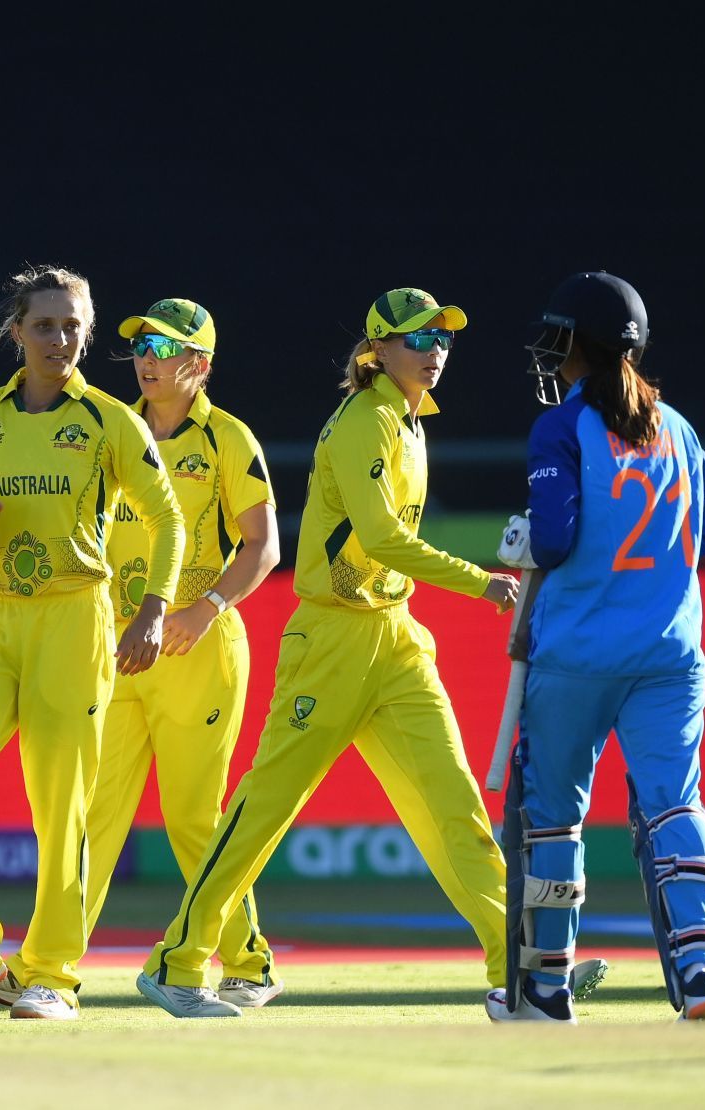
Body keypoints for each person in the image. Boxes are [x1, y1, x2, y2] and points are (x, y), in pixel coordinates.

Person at [137, 288, 521, 1019]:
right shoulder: (363, 423)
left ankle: (518, 963)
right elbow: (379, 540)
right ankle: (179, 964)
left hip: (397, 634)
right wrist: (480, 583)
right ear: (378, 352)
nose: (435, 350)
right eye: (418, 339)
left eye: (442, 338)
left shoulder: (409, 422)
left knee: (456, 806)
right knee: (266, 809)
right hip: (333, 640)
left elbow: (384, 554)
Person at [0, 297, 286, 1007]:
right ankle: (42, 970)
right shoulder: (98, 431)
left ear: (201, 364)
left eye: (167, 347)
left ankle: (246, 960)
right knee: (93, 814)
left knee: (191, 817)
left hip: (190, 648)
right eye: (143, 345)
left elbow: (265, 545)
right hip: (113, 645)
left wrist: (198, 609)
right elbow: (72, 536)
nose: (149, 358)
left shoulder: (222, 439)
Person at [0, 266, 183, 1021]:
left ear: (86, 333)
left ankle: (53, 974)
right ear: (17, 332)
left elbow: (168, 521)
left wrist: (152, 610)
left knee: (61, 804)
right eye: (44, 325)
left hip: (72, 616)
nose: (59, 338)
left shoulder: (108, 421)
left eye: (72, 325)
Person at [486, 272, 705, 1024]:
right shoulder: (679, 427)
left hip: (577, 654)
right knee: (674, 804)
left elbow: (555, 539)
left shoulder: (562, 427)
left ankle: (546, 987)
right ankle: (703, 971)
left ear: (573, 344)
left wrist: (532, 538)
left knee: (552, 815)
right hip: (670, 655)